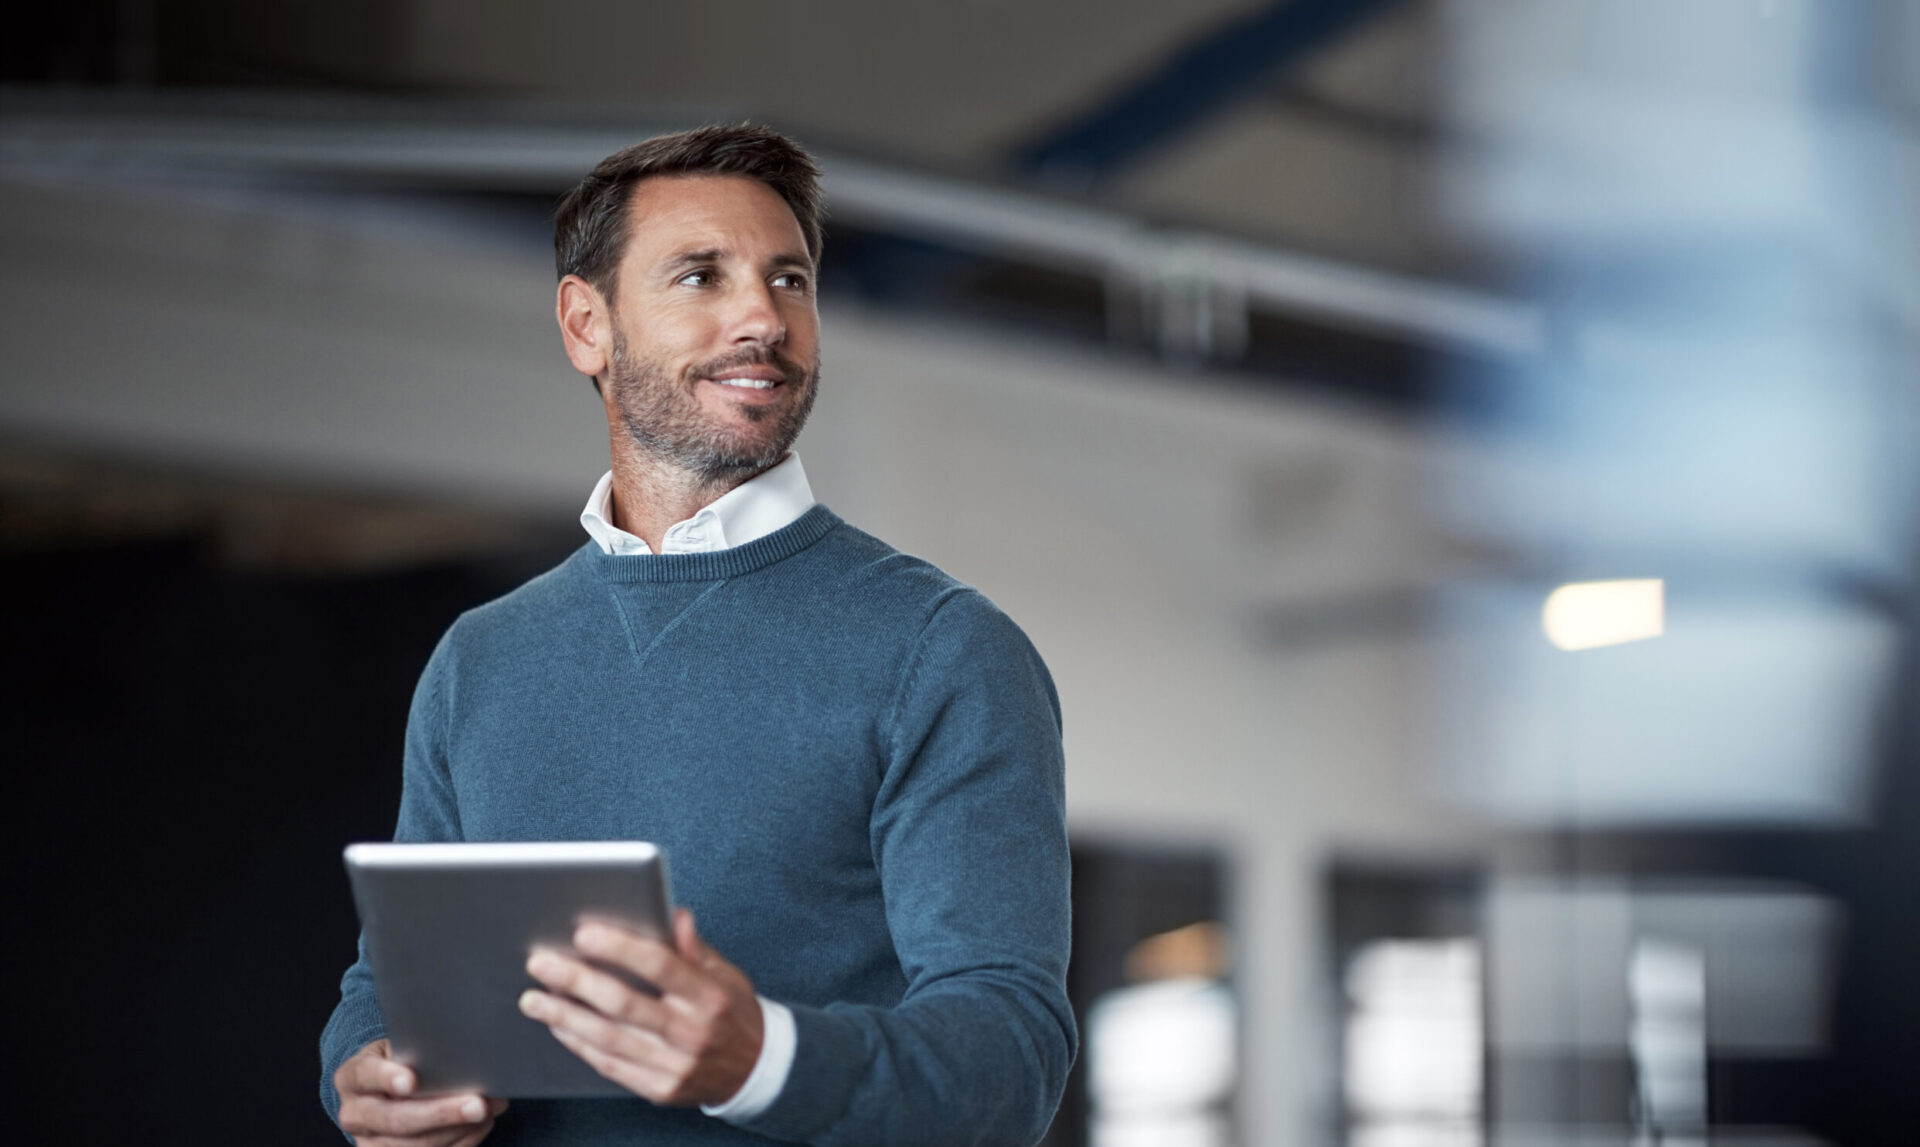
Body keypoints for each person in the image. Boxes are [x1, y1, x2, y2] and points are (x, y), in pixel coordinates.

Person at [318, 124, 1076, 1147]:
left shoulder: (942, 650)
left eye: (790, 280)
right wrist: (359, 1072)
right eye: (700, 276)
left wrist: (763, 1060)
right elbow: (391, 974)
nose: (763, 315)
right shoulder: (480, 661)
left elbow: (1011, 1057)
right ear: (587, 325)